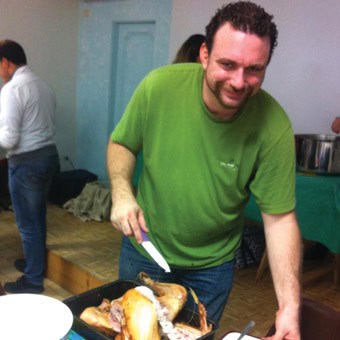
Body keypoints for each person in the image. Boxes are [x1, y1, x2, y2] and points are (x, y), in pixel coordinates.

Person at [107, 2, 302, 339]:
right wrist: (122, 192)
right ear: (204, 54)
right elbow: (122, 143)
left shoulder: (274, 126)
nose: (239, 82)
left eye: (254, 69)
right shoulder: (159, 88)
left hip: (212, 268)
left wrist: (289, 307)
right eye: (227, 64)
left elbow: (280, 220)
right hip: (146, 251)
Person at [0, 40, 60, 294]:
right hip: (49, 157)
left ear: (5, 62)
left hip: (26, 164)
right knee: (37, 218)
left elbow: (9, 139)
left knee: (27, 223)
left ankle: (33, 281)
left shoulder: (13, 89)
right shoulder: (43, 85)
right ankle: (36, 264)